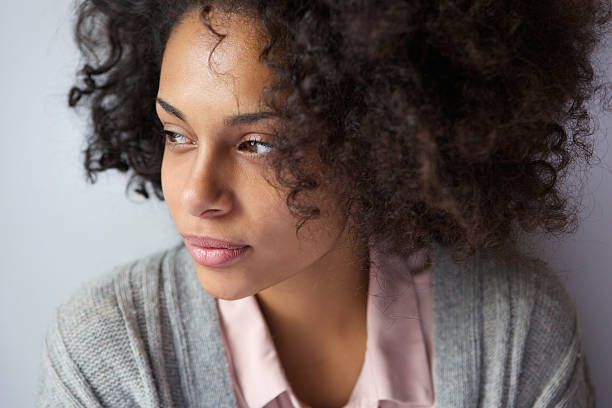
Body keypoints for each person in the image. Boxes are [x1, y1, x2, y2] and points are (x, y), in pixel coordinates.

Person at [36, 0, 611, 407]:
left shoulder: (517, 332)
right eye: (176, 134)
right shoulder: (108, 355)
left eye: (257, 143)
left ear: (377, 142)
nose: (193, 194)